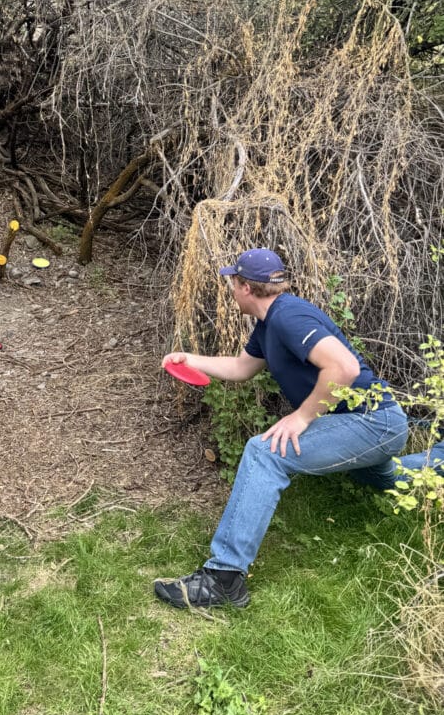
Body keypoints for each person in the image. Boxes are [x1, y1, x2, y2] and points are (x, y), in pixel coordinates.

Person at [155, 247, 418, 612]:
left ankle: (224, 578)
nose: (231, 290)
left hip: (374, 422)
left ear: (246, 287)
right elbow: (241, 368)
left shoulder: (288, 316)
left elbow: (344, 368)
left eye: (233, 283)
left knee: (265, 453)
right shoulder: (268, 325)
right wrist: (190, 359)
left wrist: (302, 417)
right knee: (389, 480)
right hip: (370, 425)